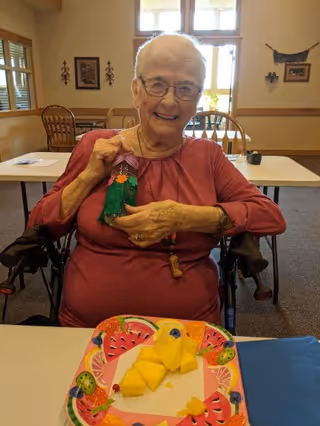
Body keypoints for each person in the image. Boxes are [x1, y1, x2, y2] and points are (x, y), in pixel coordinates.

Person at [28, 34, 286, 328]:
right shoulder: (95, 146)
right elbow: (39, 225)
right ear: (136, 90)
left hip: (186, 334)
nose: (170, 100)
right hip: (89, 331)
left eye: (186, 89)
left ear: (197, 100)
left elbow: (271, 217)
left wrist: (186, 217)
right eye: (157, 84)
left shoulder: (207, 155)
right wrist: (88, 177)